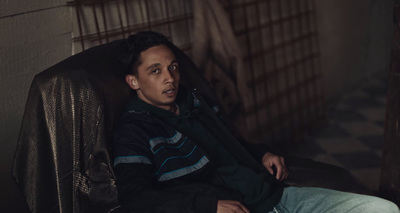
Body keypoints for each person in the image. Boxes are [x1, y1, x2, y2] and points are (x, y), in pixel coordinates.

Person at [113, 31, 399, 213]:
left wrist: (262, 153)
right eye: (155, 71)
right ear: (133, 81)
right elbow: (135, 198)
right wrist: (208, 207)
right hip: (241, 208)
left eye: (172, 67)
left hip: (277, 196)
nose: (169, 77)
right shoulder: (135, 129)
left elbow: (232, 145)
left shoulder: (193, 103)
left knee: (383, 209)